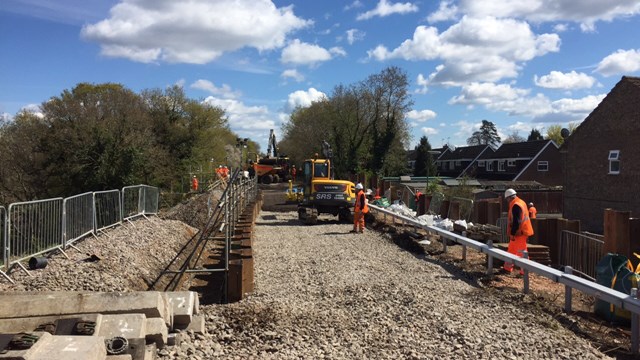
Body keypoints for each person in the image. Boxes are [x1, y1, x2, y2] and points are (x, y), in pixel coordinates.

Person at [503, 188, 534, 275]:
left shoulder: (516, 205)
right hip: (519, 232)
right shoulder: (521, 202)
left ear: (510, 198)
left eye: (507, 199)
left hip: (519, 233)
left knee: (522, 252)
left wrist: (512, 233)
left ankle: (524, 271)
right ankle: (507, 268)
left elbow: (517, 222)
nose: (507, 201)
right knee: (511, 250)